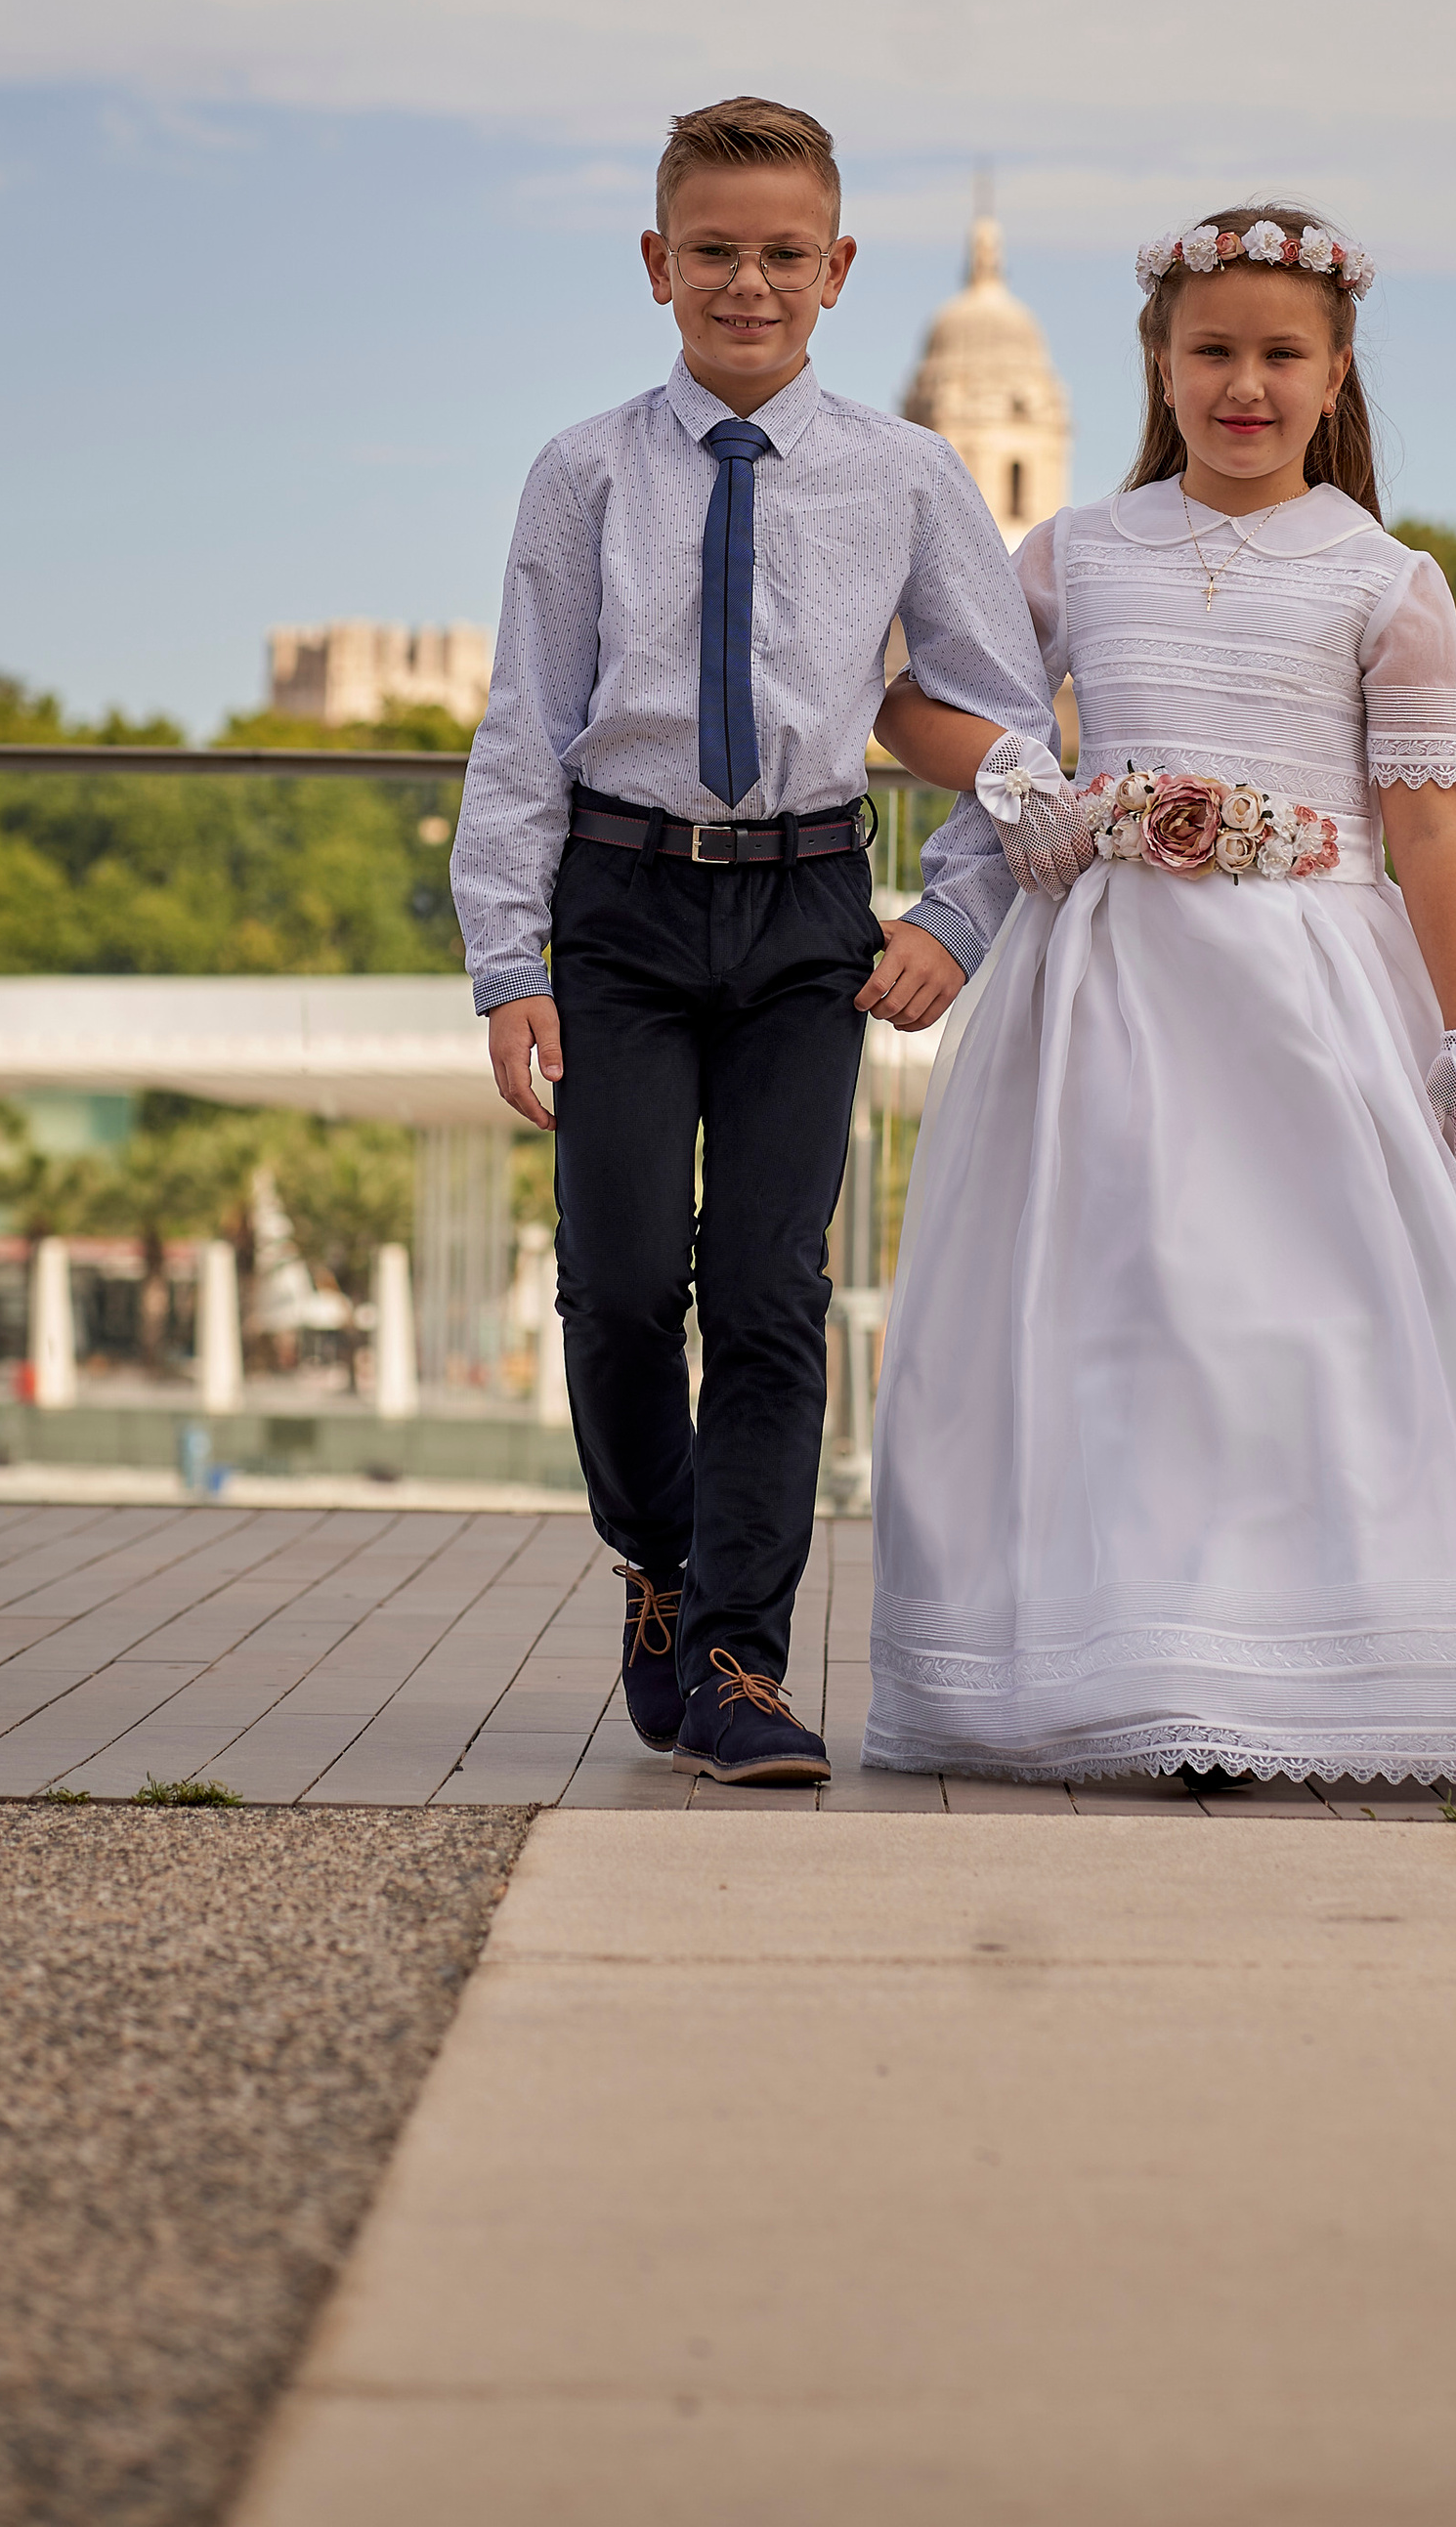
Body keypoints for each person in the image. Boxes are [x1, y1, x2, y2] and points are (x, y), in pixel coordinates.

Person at [862, 201, 1456, 1791]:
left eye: (1282, 355)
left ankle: (1333, 1662)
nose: (1245, 386)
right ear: (1159, 364)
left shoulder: (1387, 581)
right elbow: (914, 708)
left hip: (1318, 1002)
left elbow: (1428, 831)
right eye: (1212, 352)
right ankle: (1156, 1666)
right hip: (1115, 998)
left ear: (1337, 372)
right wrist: (1025, 781)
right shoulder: (1078, 552)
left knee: (1308, 1323)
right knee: (1135, 1318)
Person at [452, 97, 1056, 1788]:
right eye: (714, 251)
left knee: (775, 1287)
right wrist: (509, 964)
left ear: (839, 268)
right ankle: (657, 1567)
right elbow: (524, 728)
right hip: (621, 912)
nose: (749, 281)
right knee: (627, 1285)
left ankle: (738, 1657)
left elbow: (1001, 718)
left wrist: (957, 912)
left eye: (784, 253)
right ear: (658, 264)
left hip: (805, 909)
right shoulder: (580, 473)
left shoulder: (909, 474)